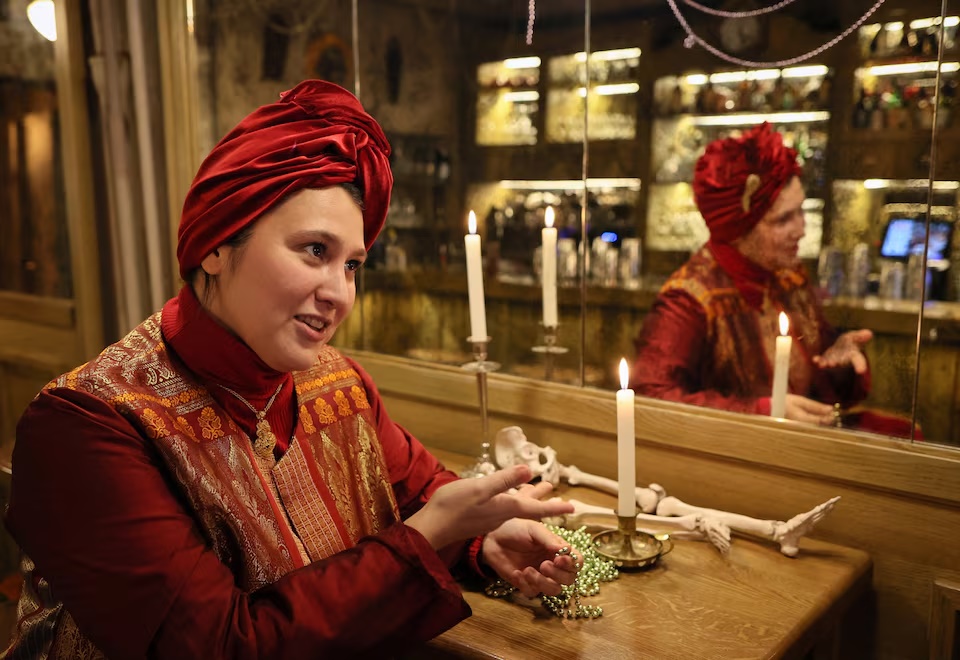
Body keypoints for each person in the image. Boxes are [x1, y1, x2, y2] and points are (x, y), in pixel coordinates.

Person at [2, 80, 579, 659]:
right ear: (217, 247)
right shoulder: (87, 426)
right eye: (314, 251)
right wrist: (432, 532)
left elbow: (419, 489)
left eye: (353, 264)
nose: (339, 293)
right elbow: (219, 646)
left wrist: (485, 539)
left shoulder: (336, 382)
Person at [631, 123, 872, 425]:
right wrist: (758, 412)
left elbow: (816, 388)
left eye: (801, 211)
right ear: (738, 230)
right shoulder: (690, 299)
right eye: (784, 219)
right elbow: (647, 396)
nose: (801, 230)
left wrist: (838, 361)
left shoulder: (788, 276)